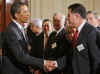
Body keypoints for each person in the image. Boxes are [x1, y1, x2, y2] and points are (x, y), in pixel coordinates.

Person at [2, 2, 55, 74]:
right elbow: (21, 56)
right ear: (16, 15)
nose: (28, 14)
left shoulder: (20, 29)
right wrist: (44, 62)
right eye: (25, 12)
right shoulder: (11, 30)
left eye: (28, 11)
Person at [66, 3, 100, 74]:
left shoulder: (91, 32)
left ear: (77, 16)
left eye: (69, 15)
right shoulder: (77, 32)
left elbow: (96, 61)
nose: (67, 18)